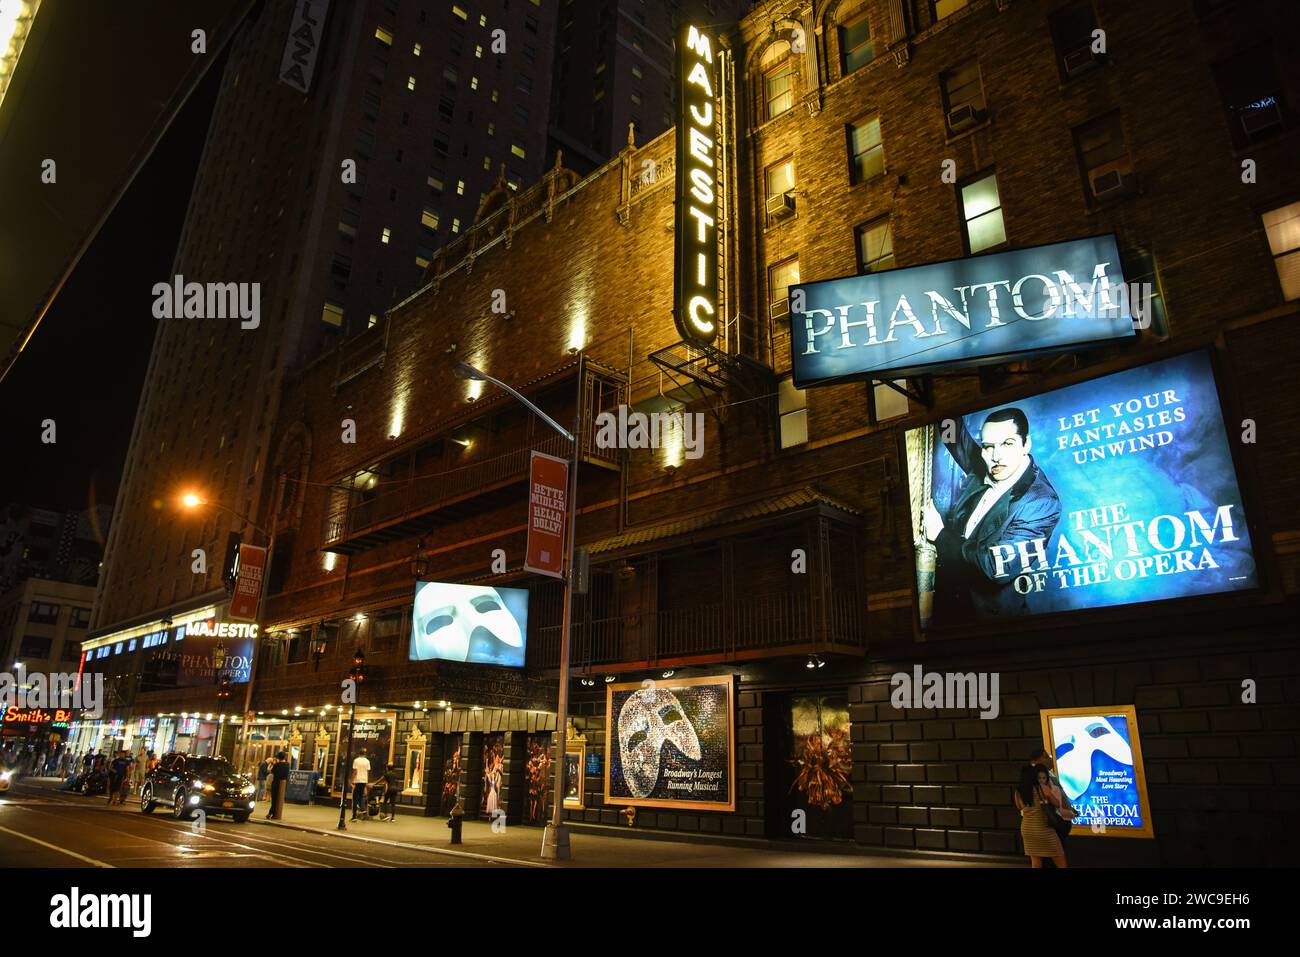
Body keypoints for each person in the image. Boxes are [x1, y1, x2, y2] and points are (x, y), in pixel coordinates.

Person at [923, 407, 1062, 624]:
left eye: (1007, 443)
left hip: (989, 624)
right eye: (988, 446)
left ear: (1026, 444)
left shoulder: (1041, 503)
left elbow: (994, 567)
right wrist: (939, 403)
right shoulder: (987, 463)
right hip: (948, 608)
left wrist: (939, 536)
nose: (996, 456)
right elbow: (954, 438)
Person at [1015, 763, 1067, 869]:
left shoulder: (1018, 792)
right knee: (1060, 860)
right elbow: (1057, 803)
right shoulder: (1041, 788)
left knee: (1036, 862)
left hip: (1027, 829)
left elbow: (1020, 807)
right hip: (1043, 827)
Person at [1029, 746, 1075, 859]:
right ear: (1036, 761)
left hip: (1058, 818)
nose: (1050, 759)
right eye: (1046, 757)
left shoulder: (1048, 774)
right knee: (1056, 856)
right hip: (1054, 820)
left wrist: (1069, 809)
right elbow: (1053, 798)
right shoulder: (1039, 778)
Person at [267, 751, 290, 819]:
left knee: (274, 799)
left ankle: (272, 813)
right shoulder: (287, 764)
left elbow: (271, 771)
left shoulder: (277, 765)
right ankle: (273, 813)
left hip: (276, 783)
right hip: (283, 784)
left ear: (278, 757)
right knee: (279, 800)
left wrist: (273, 764)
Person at [350, 747, 371, 821]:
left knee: (355, 798)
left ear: (359, 753)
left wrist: (351, 781)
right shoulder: (367, 761)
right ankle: (363, 810)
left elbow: (355, 772)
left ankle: (354, 816)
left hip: (357, 780)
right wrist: (366, 782)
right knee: (361, 797)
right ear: (365, 754)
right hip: (364, 780)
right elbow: (368, 772)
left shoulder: (356, 760)